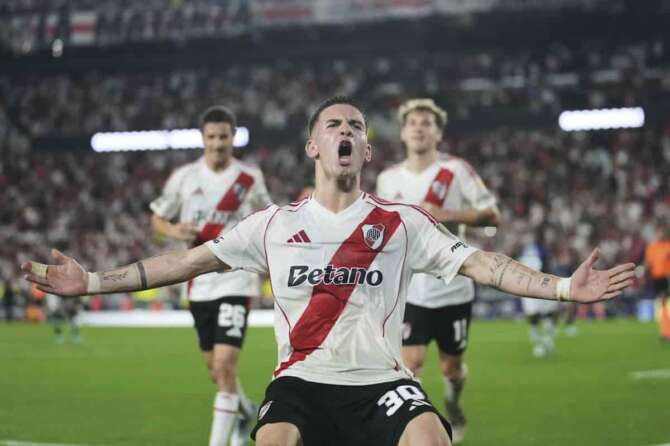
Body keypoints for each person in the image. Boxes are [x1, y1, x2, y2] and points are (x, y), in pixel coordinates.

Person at [22, 96, 636, 446]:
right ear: (313, 147)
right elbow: (182, 262)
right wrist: (95, 281)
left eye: (357, 128)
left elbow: (484, 263)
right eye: (333, 125)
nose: (346, 131)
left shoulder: (403, 220)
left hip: (380, 381)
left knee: (432, 440)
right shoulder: (269, 223)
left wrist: (560, 287)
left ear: (368, 152)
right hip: (302, 382)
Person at [376, 98, 500, 443]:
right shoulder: (387, 180)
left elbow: (493, 215)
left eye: (426, 123)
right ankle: (420, 427)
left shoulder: (456, 171)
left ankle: (453, 403)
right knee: (409, 364)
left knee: (451, 368)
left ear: (438, 133)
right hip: (411, 292)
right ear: (402, 132)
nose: (418, 127)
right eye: (412, 122)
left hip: (453, 289)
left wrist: (446, 215)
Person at [149, 105, 271, 446]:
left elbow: (266, 217)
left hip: (236, 278)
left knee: (226, 364)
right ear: (203, 138)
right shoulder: (185, 177)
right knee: (216, 372)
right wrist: (175, 231)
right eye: (212, 137)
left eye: (224, 136)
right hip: (198, 282)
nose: (218, 143)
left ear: (233, 137)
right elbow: (157, 219)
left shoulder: (249, 177)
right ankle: (245, 412)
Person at [516, 230, 559, 358]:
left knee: (544, 315)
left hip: (536, 286)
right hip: (533, 287)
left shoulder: (538, 250)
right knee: (539, 315)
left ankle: (544, 340)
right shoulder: (534, 250)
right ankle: (541, 342)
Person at [644, 222, 670, 341]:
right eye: (658, 232)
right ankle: (665, 331)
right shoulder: (651, 248)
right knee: (662, 303)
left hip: (667, 277)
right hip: (657, 279)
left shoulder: (668, 246)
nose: (660, 234)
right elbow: (648, 264)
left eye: (662, 232)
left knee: (664, 302)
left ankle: (666, 332)